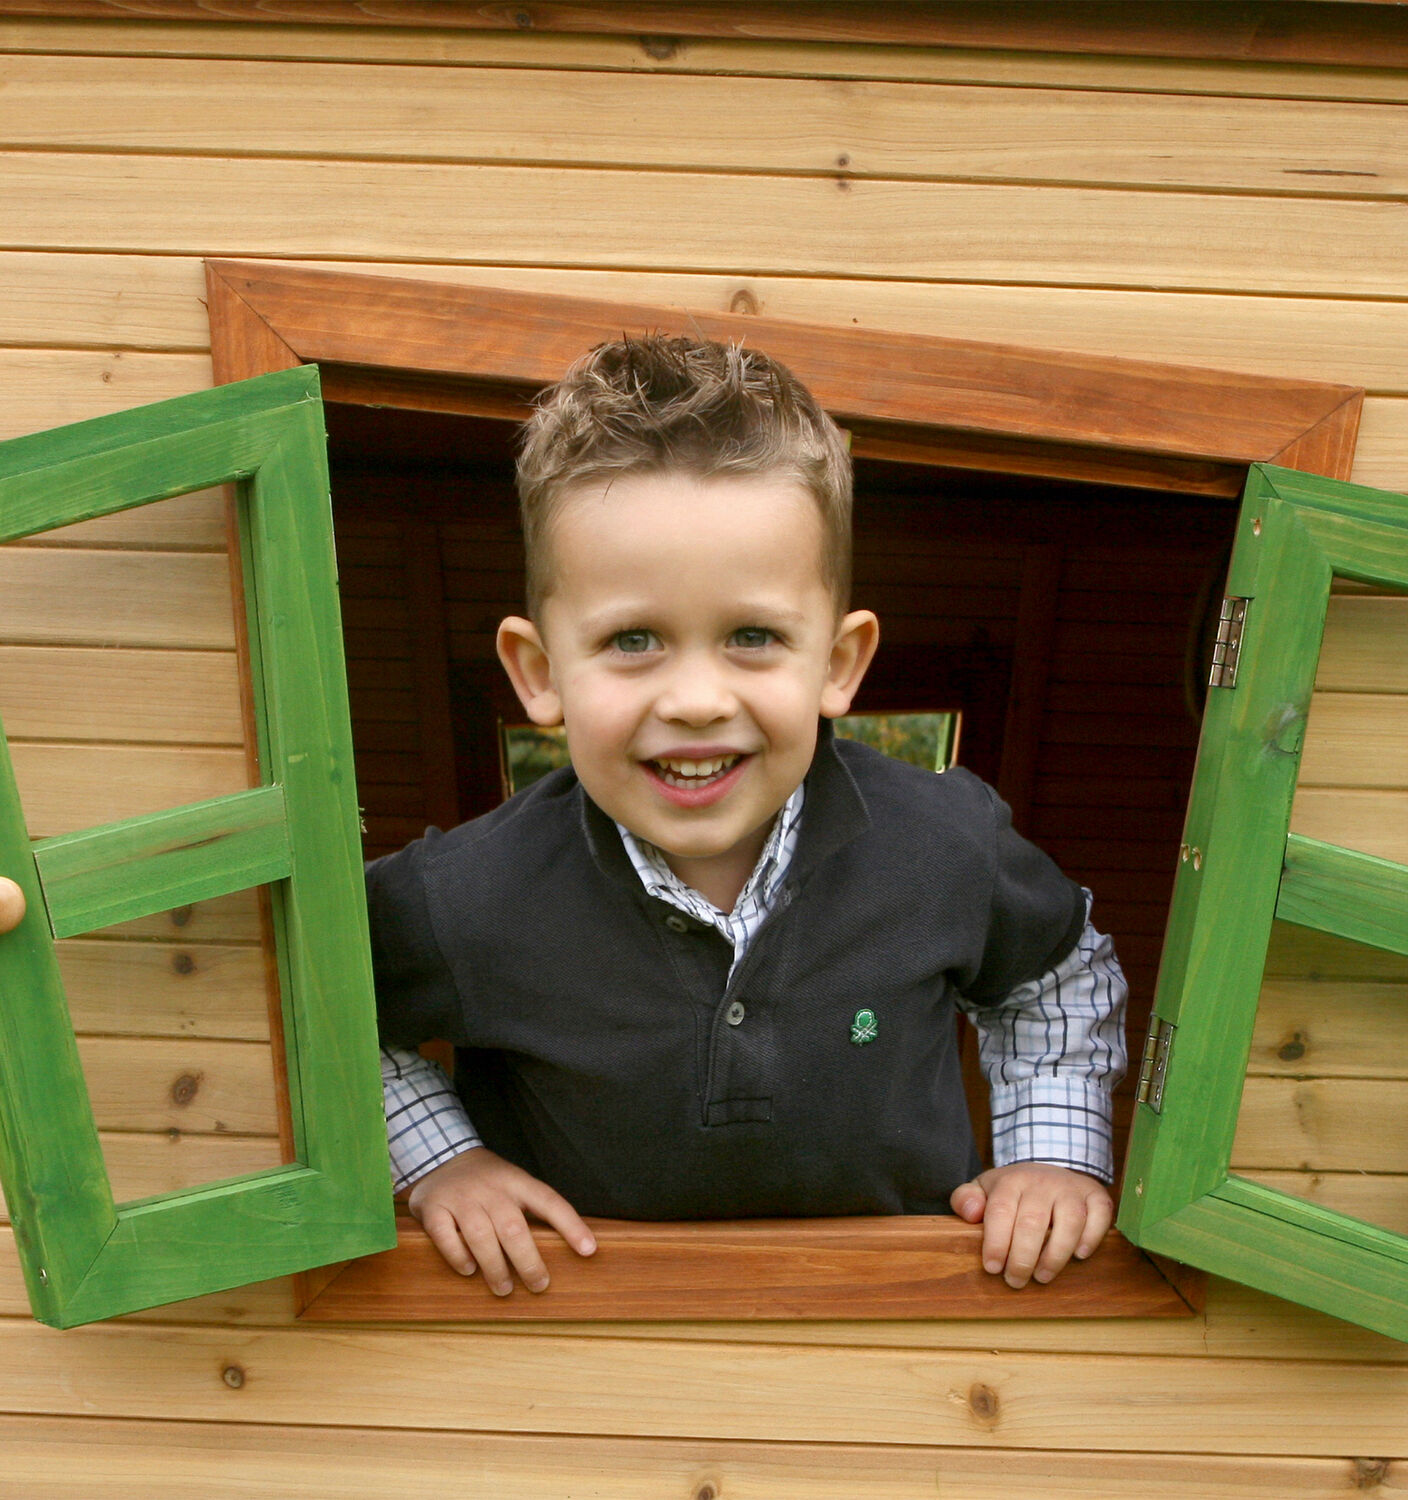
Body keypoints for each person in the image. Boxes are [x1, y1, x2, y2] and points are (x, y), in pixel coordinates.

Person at [371, 335, 1126, 1298]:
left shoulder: (944, 845)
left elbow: (1058, 973)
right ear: (539, 674)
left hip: (908, 1346)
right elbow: (320, 1006)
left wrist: (1050, 1157)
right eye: (632, 639)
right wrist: (442, 1160)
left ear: (840, 663)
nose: (694, 698)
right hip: (582, 1359)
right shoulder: (466, 895)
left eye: (753, 637)